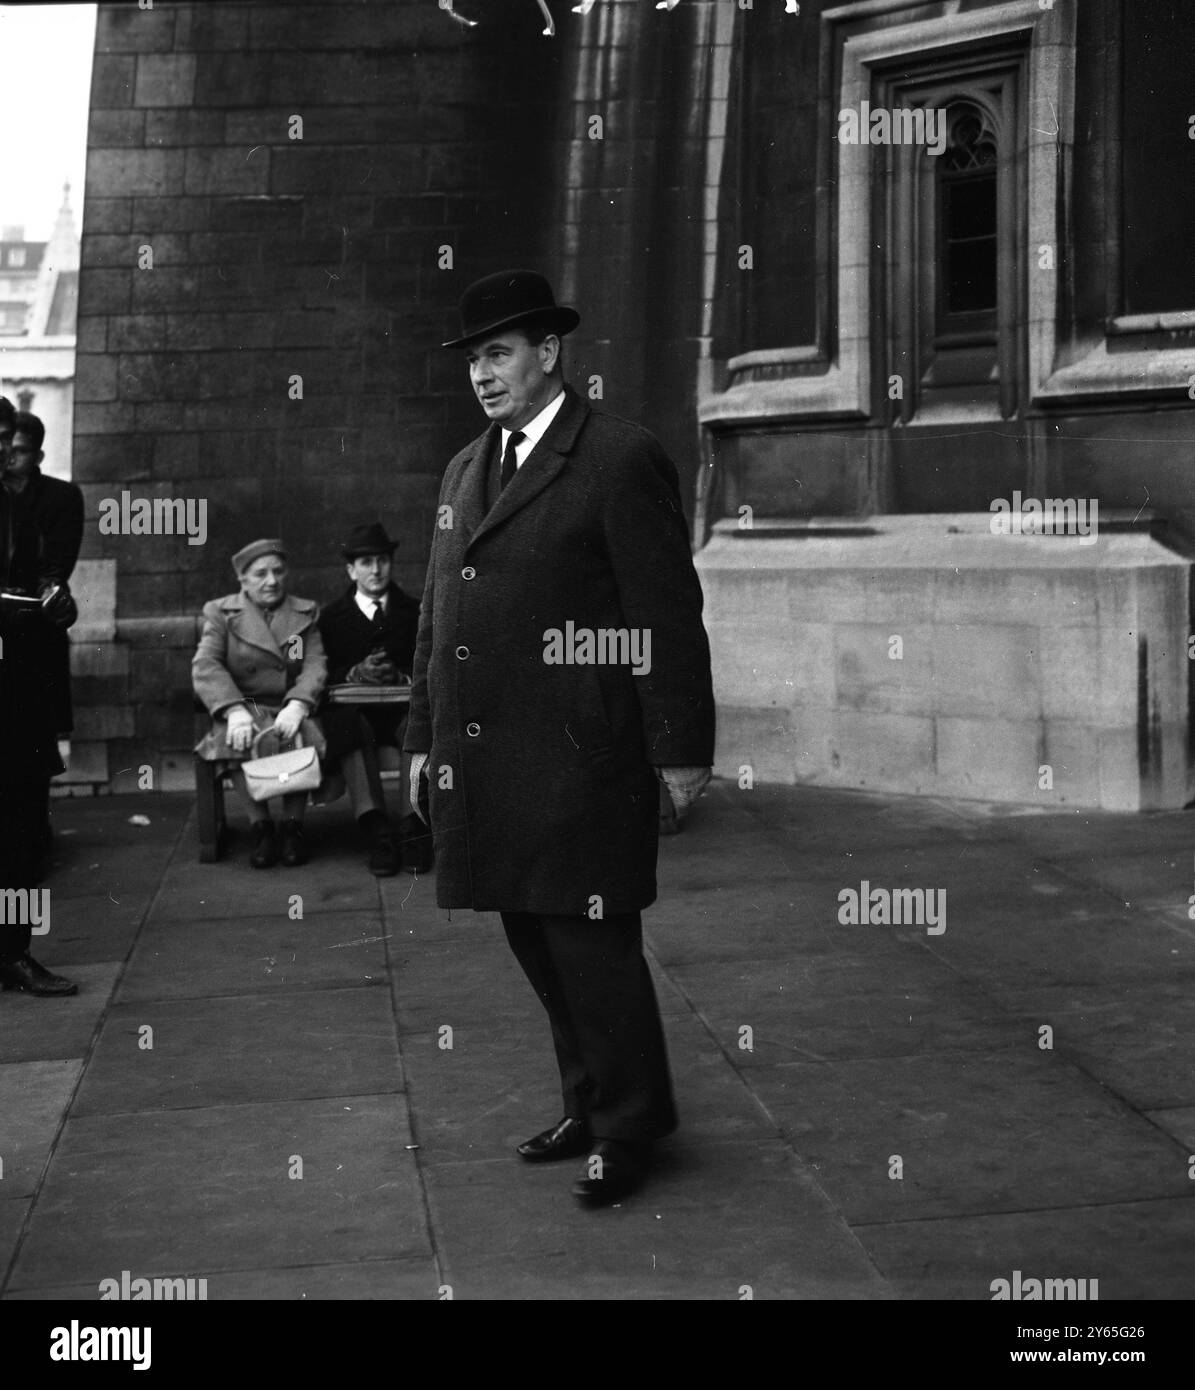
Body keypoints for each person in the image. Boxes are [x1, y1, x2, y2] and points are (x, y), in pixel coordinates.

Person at [404, 270, 715, 1206]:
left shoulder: (618, 457)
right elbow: (435, 621)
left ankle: (628, 1128)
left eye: (499, 354)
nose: (483, 375)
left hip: (581, 755)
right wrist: (422, 737)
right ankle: (588, 1103)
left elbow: (665, 614)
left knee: (590, 945)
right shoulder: (467, 466)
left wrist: (679, 750)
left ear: (550, 353)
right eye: (473, 360)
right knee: (534, 941)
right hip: (488, 760)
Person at [192, 540, 327, 869]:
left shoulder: (304, 613)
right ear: (243, 579)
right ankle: (261, 826)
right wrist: (233, 709)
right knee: (231, 737)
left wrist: (298, 704)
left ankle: (293, 826)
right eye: (261, 573)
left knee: (301, 735)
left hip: (286, 704)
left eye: (278, 571)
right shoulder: (221, 612)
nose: (271, 580)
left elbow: (314, 665)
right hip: (243, 705)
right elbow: (206, 664)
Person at [0, 430, 76, 997]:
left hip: (19, 686)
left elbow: (48, 581)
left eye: (8, 441)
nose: (5, 453)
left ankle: (14, 952)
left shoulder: (30, 504)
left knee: (23, 828)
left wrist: (54, 606)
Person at [317, 521, 432, 876]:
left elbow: (430, 663)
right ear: (351, 570)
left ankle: (411, 826)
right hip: (356, 713)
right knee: (349, 727)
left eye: (382, 560)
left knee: (417, 723)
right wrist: (355, 673)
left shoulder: (416, 612)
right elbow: (320, 673)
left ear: (391, 563)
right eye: (365, 563)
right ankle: (376, 827)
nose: (376, 570)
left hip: (400, 706)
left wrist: (402, 676)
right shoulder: (331, 617)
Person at [0, 406, 83, 863]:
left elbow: (53, 567)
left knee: (31, 744)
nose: (8, 457)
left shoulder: (52, 500)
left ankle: (31, 841)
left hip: (29, 637)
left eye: (15, 448)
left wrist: (47, 594)